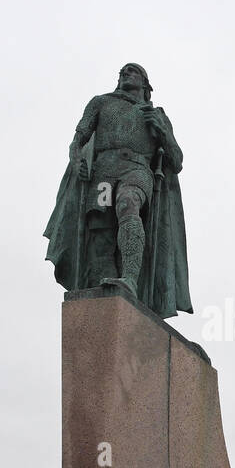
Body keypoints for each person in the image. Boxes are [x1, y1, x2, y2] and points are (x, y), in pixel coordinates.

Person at [44, 63, 192, 318]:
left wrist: (163, 132)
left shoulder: (155, 114)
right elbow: (77, 140)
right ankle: (107, 293)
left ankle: (131, 279)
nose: (124, 73)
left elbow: (176, 161)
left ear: (146, 83)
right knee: (101, 232)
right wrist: (77, 159)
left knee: (128, 204)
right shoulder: (101, 103)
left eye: (131, 71)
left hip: (136, 170)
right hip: (103, 174)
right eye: (122, 71)